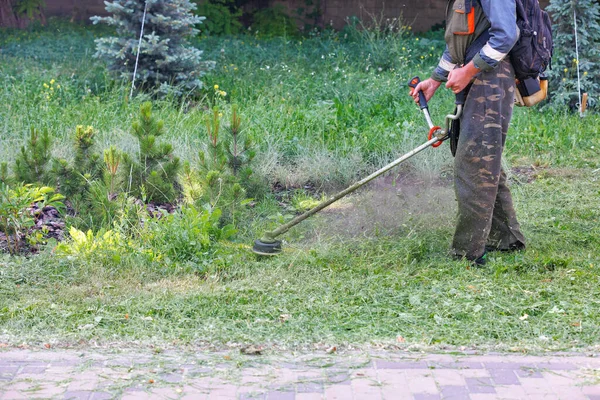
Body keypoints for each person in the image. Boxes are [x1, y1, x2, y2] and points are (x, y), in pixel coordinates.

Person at [409, 0, 526, 266]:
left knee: (475, 161)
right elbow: (461, 43)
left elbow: (506, 36)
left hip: (492, 76)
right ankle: (505, 238)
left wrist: (468, 71)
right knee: (481, 157)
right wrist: (436, 80)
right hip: (477, 74)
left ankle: (468, 252)